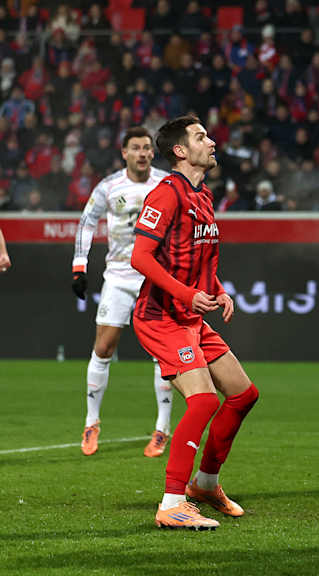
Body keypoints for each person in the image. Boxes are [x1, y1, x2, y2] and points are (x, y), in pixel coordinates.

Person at [131, 115, 259, 530]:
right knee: (203, 401)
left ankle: (205, 484)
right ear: (180, 151)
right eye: (201, 137)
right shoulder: (166, 194)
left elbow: (199, 257)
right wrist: (187, 294)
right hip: (161, 317)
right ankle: (172, 503)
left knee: (243, 394)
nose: (212, 142)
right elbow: (140, 257)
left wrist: (218, 289)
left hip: (190, 317)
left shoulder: (202, 195)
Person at [71, 126, 172, 457]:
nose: (142, 153)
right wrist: (79, 266)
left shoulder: (166, 184)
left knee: (162, 353)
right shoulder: (109, 186)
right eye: (136, 148)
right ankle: (91, 423)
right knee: (103, 347)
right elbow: (87, 222)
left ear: (152, 153)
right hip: (118, 275)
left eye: (146, 148)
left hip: (155, 277)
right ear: (124, 153)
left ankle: (162, 429)